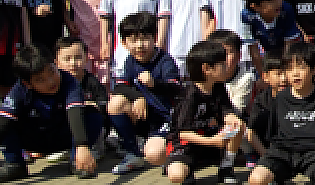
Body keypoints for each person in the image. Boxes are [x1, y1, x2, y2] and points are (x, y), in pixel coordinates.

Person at [247, 41, 315, 185]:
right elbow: (272, 135)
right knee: (256, 179)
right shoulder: (280, 97)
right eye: (289, 68)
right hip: (282, 152)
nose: (295, 73)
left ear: (314, 69)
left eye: (301, 67)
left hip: (314, 152)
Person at [0, 45, 102, 181]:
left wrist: (82, 146)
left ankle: (76, 161)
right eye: (40, 79)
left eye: (52, 72)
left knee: (92, 114)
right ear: (27, 84)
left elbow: (75, 112)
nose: (51, 81)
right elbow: (4, 121)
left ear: (55, 63)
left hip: (64, 136)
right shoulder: (19, 89)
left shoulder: (69, 81)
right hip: (34, 139)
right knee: (6, 120)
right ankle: (15, 164)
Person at [108, 11, 182, 174]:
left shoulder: (165, 60)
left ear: (154, 38)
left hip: (165, 119)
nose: (140, 45)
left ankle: (176, 151)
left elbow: (177, 88)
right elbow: (120, 87)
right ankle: (133, 154)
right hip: (144, 117)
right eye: (133, 40)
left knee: (155, 155)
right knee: (115, 103)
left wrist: (154, 84)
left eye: (145, 39)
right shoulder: (130, 60)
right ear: (124, 43)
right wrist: (138, 97)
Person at [163, 39, 245, 185]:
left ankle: (226, 168)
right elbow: (183, 133)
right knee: (176, 175)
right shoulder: (189, 95)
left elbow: (226, 110)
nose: (227, 66)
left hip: (212, 139)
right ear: (207, 69)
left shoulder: (218, 86)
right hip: (187, 146)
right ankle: (187, 172)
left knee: (238, 125)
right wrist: (211, 141)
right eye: (222, 64)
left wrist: (232, 118)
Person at [54, 36, 109, 160]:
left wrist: (90, 105)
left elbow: (103, 104)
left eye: (78, 57)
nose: (73, 63)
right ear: (56, 62)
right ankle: (67, 148)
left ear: (86, 59)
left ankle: (96, 149)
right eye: (67, 59)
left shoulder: (92, 82)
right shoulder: (55, 84)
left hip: (91, 126)